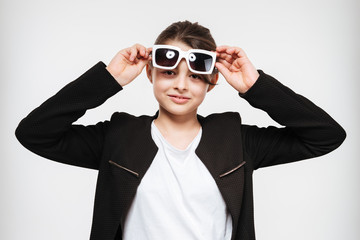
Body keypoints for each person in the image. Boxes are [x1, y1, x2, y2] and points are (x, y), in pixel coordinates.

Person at [15, 20, 346, 240]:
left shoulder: (237, 140)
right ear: (150, 75)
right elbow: (35, 133)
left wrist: (254, 85)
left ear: (210, 84)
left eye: (196, 76)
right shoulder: (118, 137)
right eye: (170, 72)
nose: (181, 85)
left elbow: (325, 135)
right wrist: (108, 78)